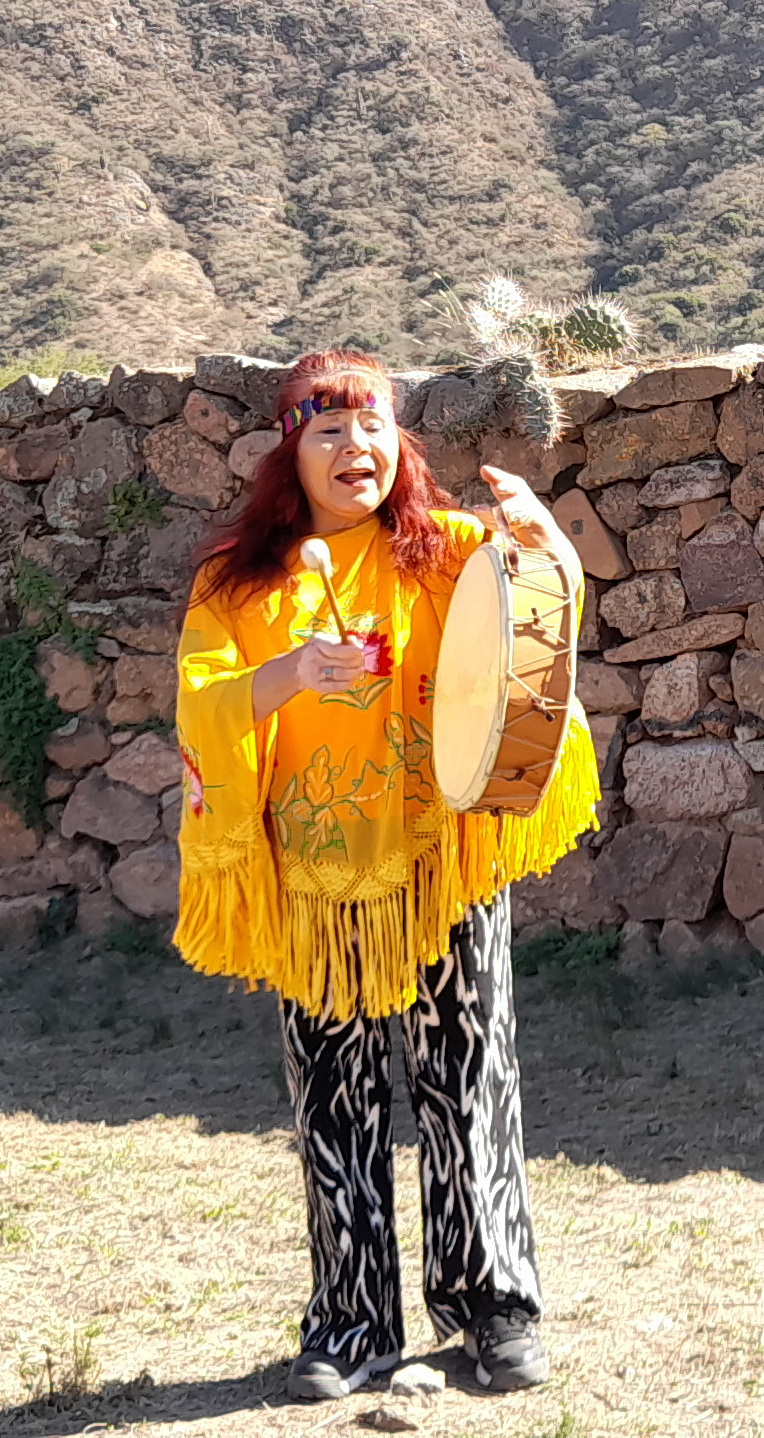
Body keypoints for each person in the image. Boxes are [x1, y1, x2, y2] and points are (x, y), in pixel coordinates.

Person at [170, 348, 597, 1400]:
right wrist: (287, 672)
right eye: (329, 430)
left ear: (396, 443)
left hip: (443, 860)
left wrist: (546, 546)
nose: (354, 447)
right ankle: (351, 1323)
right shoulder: (234, 584)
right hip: (318, 884)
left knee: (469, 1083)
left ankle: (493, 1310)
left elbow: (541, 618)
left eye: (371, 428)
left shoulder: (450, 551)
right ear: (290, 453)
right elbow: (202, 706)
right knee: (334, 1100)